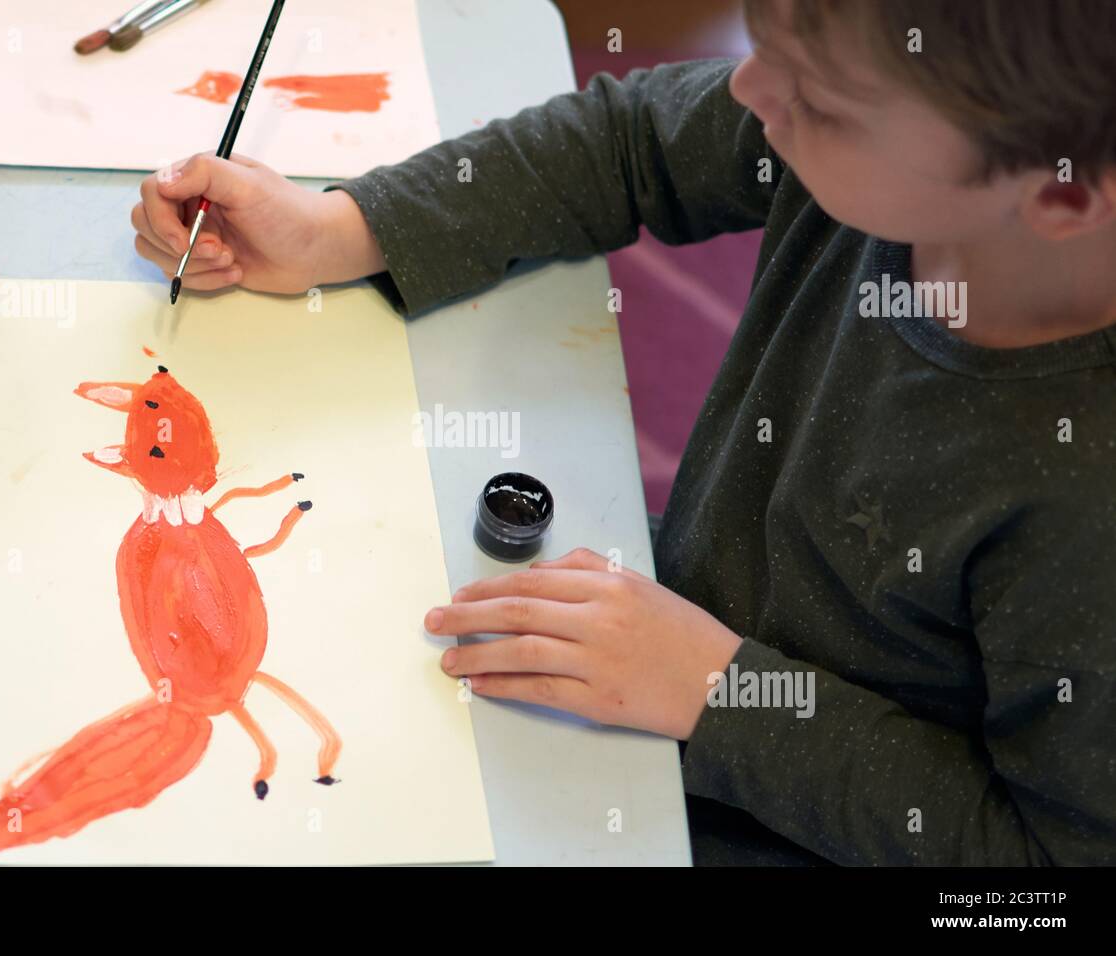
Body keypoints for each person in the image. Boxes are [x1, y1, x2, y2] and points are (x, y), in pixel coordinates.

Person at [130, 0, 1116, 864]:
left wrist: (727, 695)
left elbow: (1042, 858)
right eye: (756, 33)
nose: (746, 85)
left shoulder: (1083, 510)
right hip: (671, 650)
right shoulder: (887, 131)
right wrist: (347, 227)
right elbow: (631, 140)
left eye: (813, 96)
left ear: (1063, 195)